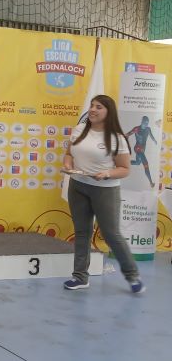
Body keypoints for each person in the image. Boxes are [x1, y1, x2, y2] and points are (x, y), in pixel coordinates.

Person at [62, 94, 145, 293]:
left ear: (109, 112)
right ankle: (80, 277)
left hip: (105, 191)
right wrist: (68, 166)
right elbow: (69, 154)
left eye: (99, 107)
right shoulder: (79, 130)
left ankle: (133, 276)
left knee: (111, 234)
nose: (93, 109)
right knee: (82, 232)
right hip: (78, 186)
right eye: (92, 106)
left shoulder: (117, 138)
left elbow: (124, 169)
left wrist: (107, 174)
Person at [126, 115, 158, 188]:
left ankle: (124, 162)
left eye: (147, 123)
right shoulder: (136, 128)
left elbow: (151, 136)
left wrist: (155, 141)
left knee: (137, 163)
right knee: (145, 163)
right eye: (144, 123)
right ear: (142, 121)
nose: (146, 124)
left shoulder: (148, 129)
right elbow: (128, 134)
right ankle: (151, 182)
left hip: (142, 150)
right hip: (137, 148)